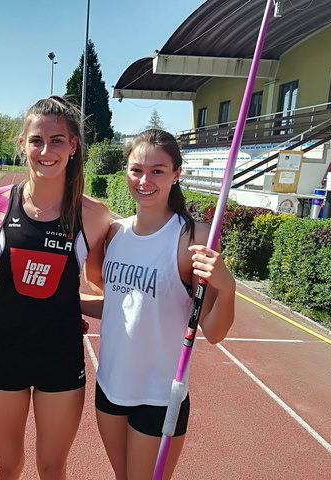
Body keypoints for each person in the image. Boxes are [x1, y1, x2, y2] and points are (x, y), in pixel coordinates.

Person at [81, 129, 236, 480]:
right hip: (110, 385)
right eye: (137, 170)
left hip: (159, 395)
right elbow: (118, 306)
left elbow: (212, 331)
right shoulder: (115, 233)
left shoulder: (193, 237)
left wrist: (227, 289)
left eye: (157, 171)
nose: (144, 180)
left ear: (176, 174)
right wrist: (66, 306)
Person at [0, 96, 110, 480]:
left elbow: (104, 288)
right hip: (5, 355)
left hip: (61, 360)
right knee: (5, 467)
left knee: (52, 468)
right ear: (23, 144)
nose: (46, 150)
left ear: (73, 146)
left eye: (57, 141)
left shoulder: (94, 216)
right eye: (37, 140)